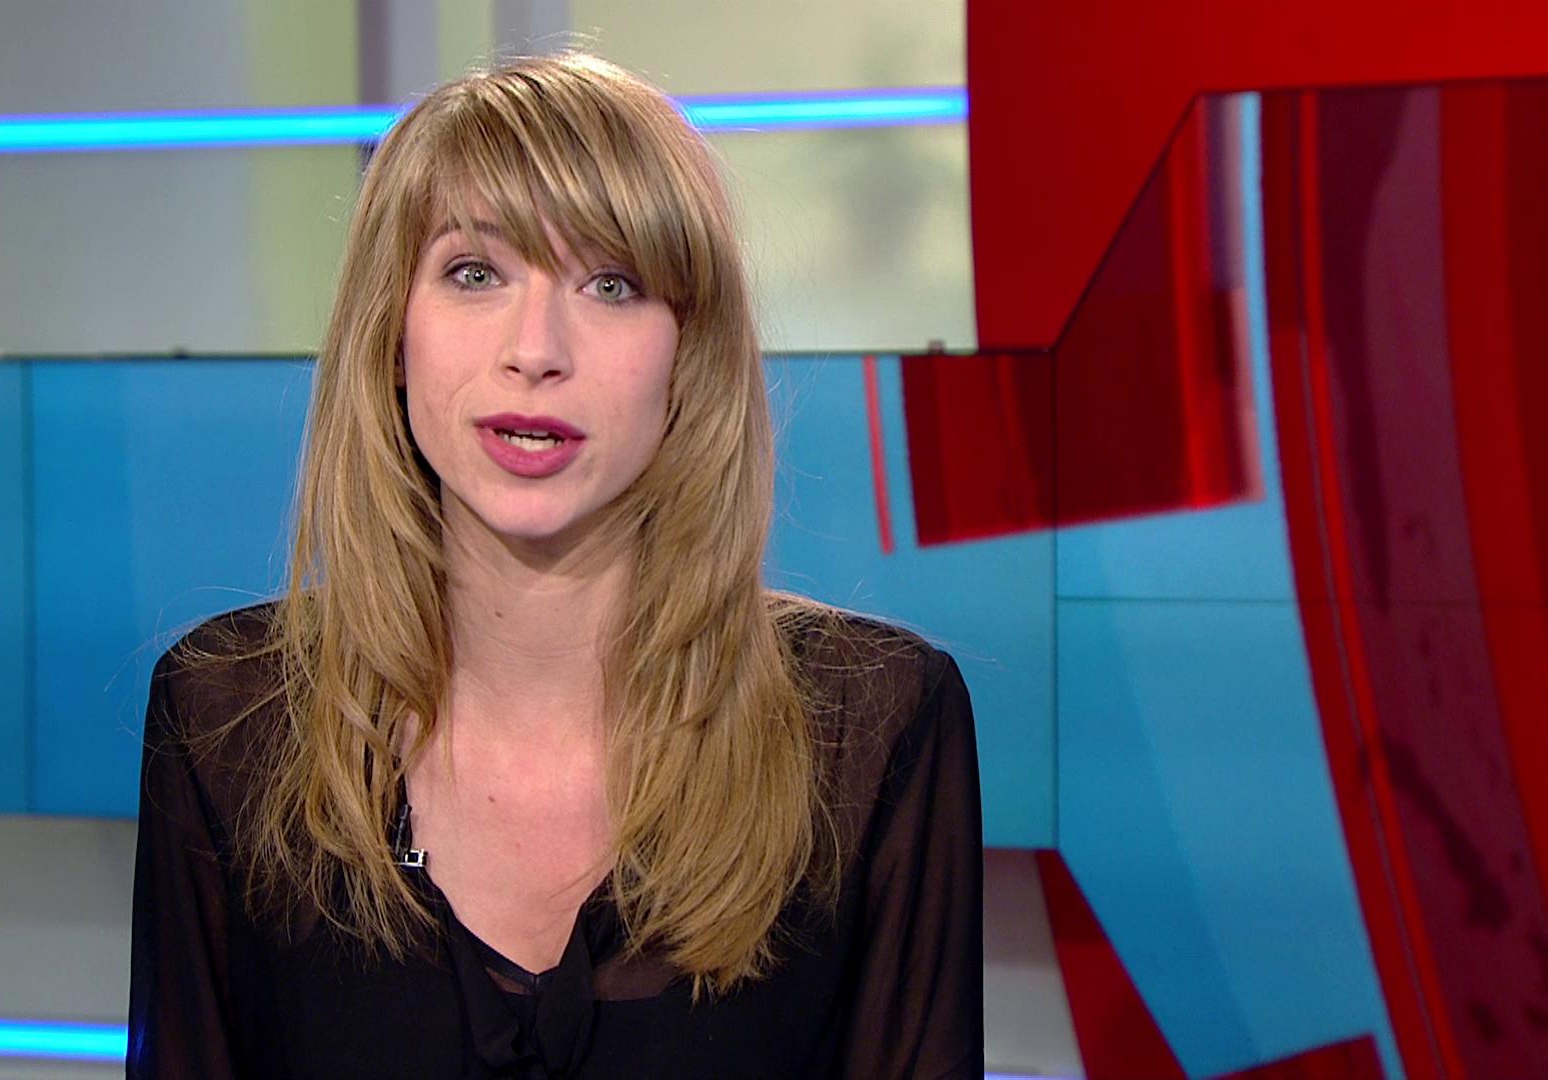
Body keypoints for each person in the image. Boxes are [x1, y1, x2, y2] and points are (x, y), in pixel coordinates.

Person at [127, 51, 982, 1079]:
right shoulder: (230, 718)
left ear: (688, 355)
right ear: (392, 334)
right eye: (475, 273)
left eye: (611, 284)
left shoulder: (870, 732)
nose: (536, 349)